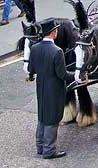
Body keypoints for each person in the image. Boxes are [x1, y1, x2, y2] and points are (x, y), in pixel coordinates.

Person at [27, 18, 76, 159]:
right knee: (52, 119)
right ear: (53, 32)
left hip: (41, 87)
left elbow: (32, 69)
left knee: (42, 116)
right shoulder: (57, 51)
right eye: (56, 30)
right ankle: (49, 150)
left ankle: (40, 147)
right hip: (54, 89)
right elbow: (62, 74)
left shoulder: (34, 48)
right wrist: (77, 75)